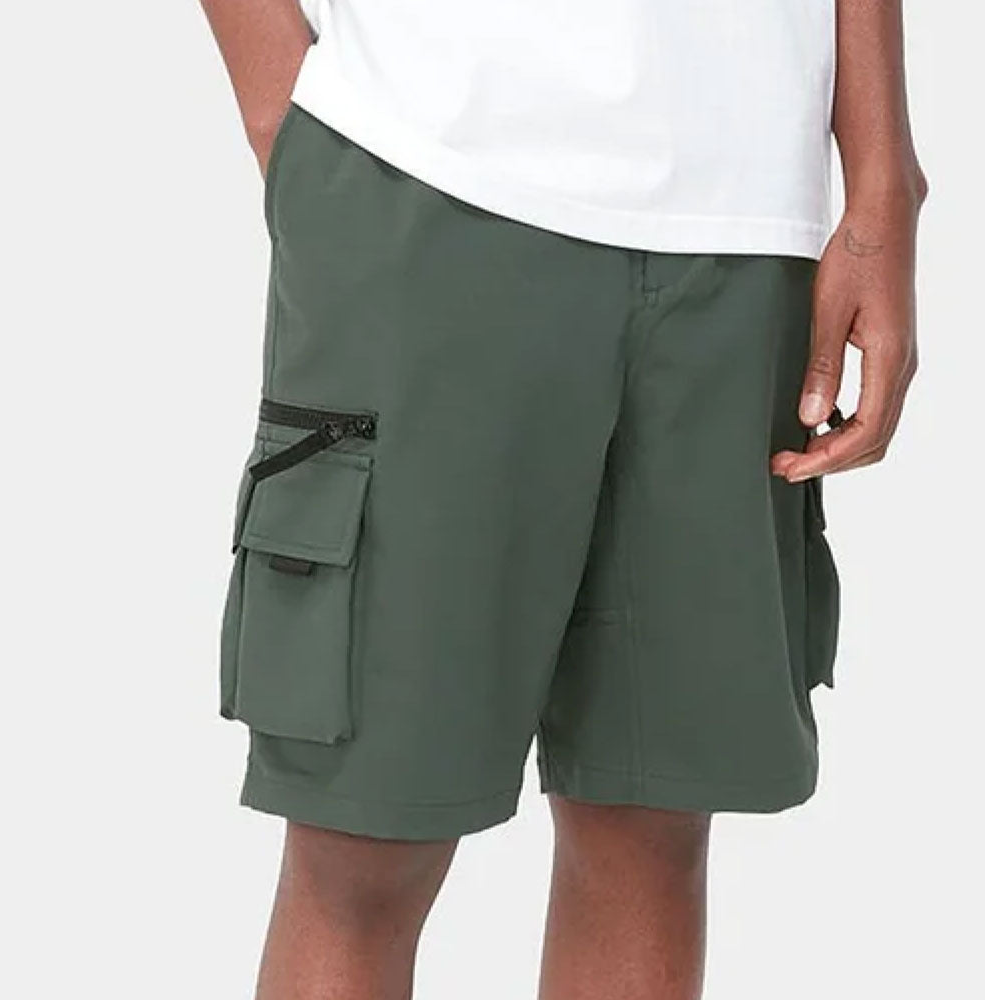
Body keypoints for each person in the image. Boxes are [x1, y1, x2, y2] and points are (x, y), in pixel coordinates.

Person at [202, 1, 925, 996]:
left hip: (744, 209)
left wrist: (882, 177)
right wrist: (278, 108)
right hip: (428, 172)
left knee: (652, 822)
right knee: (364, 836)